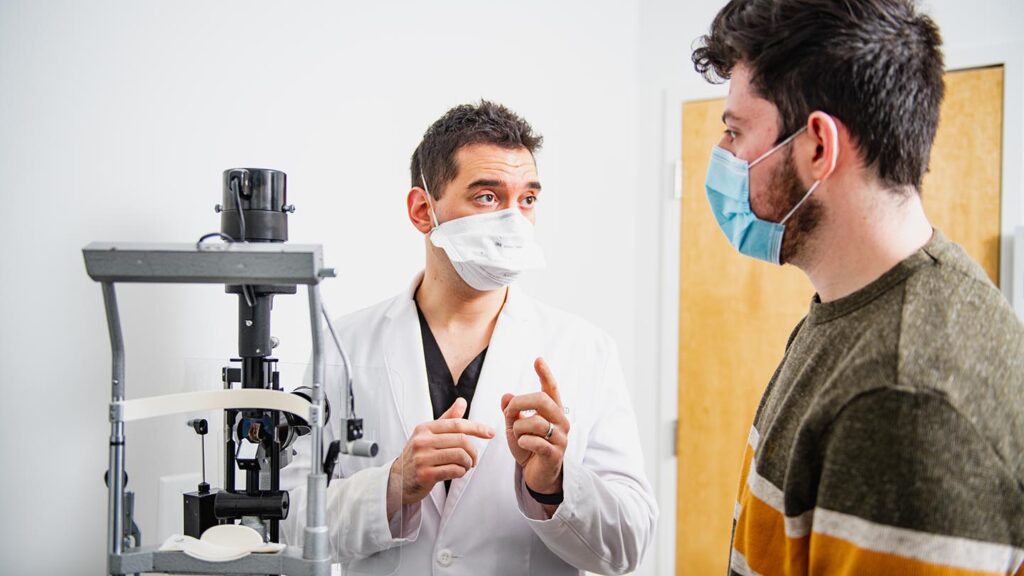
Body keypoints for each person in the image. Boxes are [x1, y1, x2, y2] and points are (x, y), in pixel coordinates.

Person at [691, 1, 1024, 574]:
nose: (723, 156)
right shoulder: (847, 310)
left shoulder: (906, 396)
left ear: (818, 145)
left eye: (735, 131)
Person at [283, 100, 657, 575]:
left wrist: (555, 485)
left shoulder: (585, 350)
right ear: (423, 210)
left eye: (527, 199)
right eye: (487, 197)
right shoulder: (344, 347)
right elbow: (285, 521)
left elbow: (629, 546)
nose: (513, 220)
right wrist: (393, 486)